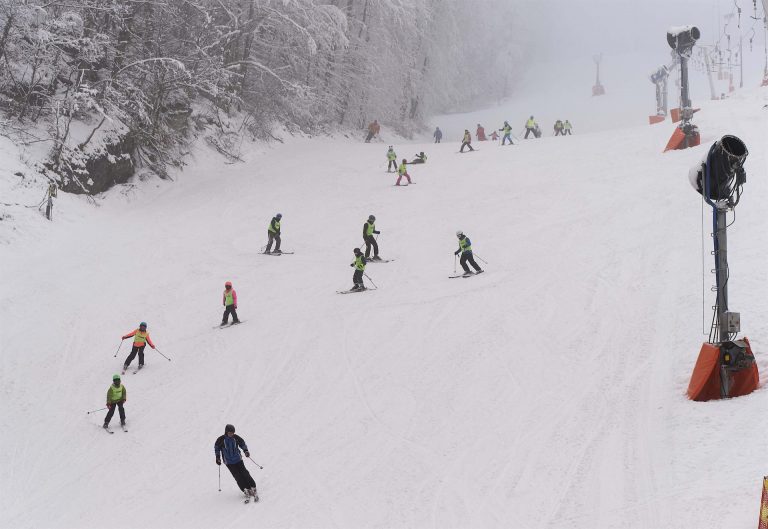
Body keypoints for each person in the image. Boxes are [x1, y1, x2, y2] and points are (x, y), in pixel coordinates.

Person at [215, 424, 258, 501]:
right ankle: (245, 489)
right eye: (230, 433)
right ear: (226, 432)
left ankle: (253, 487)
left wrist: (246, 451)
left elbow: (242, 443)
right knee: (237, 476)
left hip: (238, 460)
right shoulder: (221, 439)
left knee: (245, 473)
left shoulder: (236, 438)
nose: (232, 434)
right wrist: (217, 457)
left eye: (233, 433)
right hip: (229, 462)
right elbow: (216, 448)